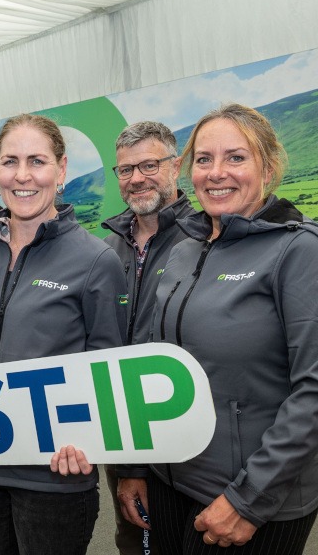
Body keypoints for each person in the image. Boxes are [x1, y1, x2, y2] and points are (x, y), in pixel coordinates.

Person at [118, 103, 318, 554]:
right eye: (204, 159)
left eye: (236, 157)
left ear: (267, 168)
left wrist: (248, 501)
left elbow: (313, 391)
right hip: (172, 482)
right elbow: (153, 364)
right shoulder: (185, 250)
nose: (216, 172)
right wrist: (139, 467)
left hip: (251, 497)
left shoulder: (298, 251)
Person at [0, 113, 127, 555]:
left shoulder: (96, 261)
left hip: (52, 477)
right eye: (10, 161)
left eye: (37, 161)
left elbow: (108, 368)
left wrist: (90, 439)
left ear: (61, 170)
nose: (23, 175)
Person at [100, 121, 195, 555]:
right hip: (122, 428)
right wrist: (127, 464)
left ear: (176, 166)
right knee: (137, 542)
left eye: (149, 165)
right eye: (125, 170)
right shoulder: (108, 248)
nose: (136, 178)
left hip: (189, 433)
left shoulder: (207, 236)